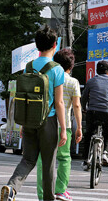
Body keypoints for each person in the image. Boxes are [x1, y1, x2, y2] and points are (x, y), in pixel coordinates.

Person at [1, 25, 66, 201]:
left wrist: (23, 123)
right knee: (48, 165)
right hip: (48, 121)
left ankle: (11, 187)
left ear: (37, 46)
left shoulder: (28, 68)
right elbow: (59, 102)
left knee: (28, 160)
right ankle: (48, 199)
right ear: (55, 45)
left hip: (29, 120)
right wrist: (64, 129)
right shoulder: (57, 69)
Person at [36, 48, 82, 201]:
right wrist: (79, 128)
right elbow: (76, 106)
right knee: (64, 158)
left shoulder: (48, 76)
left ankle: (43, 194)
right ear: (71, 65)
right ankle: (60, 190)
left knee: (44, 159)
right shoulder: (73, 82)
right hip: (65, 126)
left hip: (46, 123)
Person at [81, 60, 108, 170]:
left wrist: (83, 108)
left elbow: (84, 97)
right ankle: (105, 153)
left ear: (96, 71)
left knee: (88, 135)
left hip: (92, 112)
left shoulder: (91, 81)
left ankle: (86, 159)